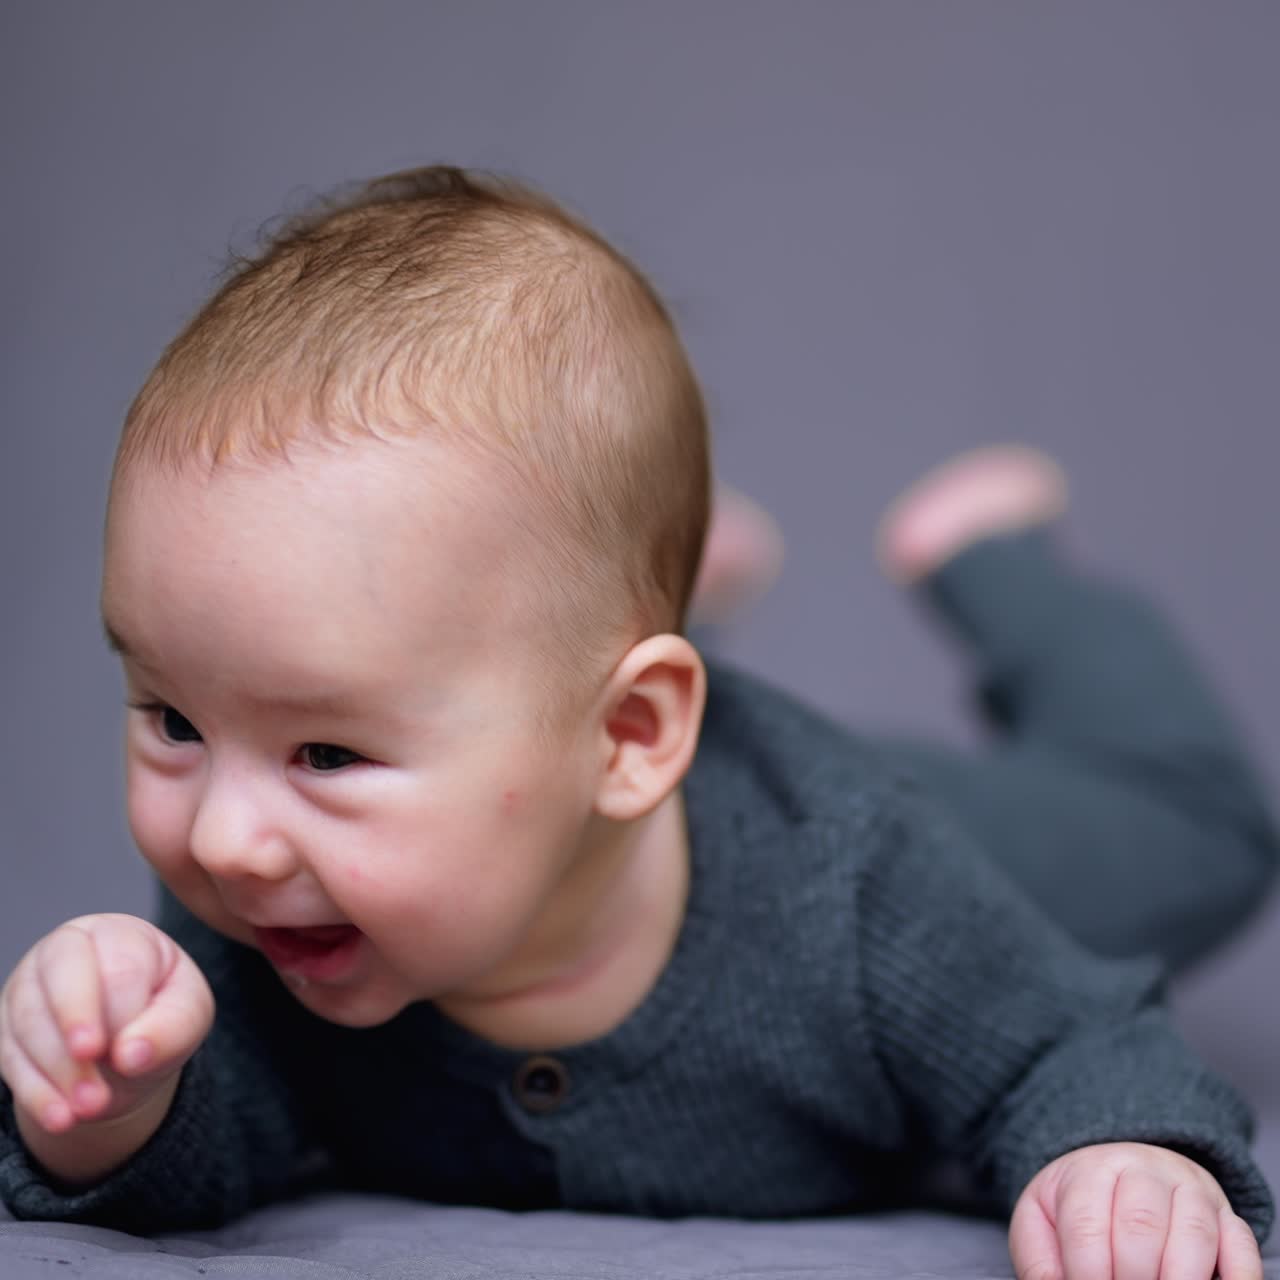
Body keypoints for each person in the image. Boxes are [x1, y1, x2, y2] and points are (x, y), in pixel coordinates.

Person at [0, 168, 1275, 1280]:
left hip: (941, 827)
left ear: (631, 732)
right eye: (171, 717)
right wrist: (112, 1100)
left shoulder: (866, 889)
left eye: (327, 751)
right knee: (530, 638)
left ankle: (998, 557)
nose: (221, 835)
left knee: (1191, 829)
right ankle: (658, 581)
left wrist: (1120, 1152)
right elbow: (216, 1143)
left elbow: (1068, 1038)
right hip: (611, 735)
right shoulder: (276, 902)